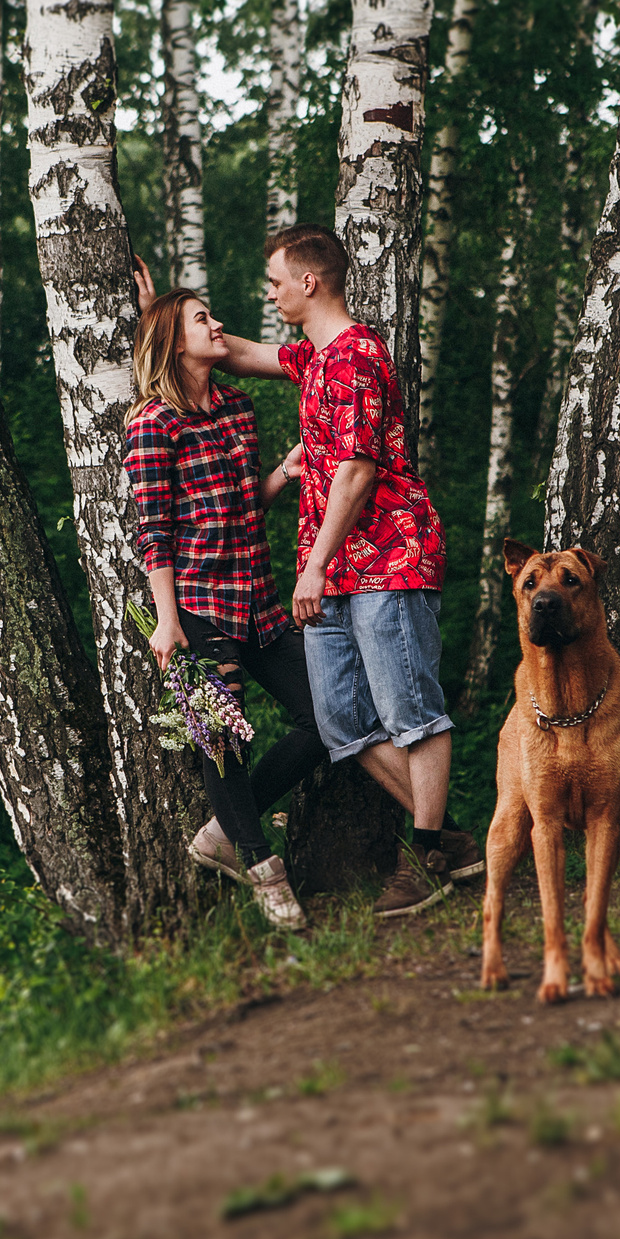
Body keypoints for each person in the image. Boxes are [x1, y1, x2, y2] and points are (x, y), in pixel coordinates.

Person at [138, 228, 482, 919]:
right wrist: (151, 314)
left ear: (308, 283)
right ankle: (454, 838)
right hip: (327, 575)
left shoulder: (355, 357)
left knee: (411, 711)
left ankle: (425, 856)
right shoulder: (312, 359)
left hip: (384, 558)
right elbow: (221, 351)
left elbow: (356, 471)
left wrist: (313, 566)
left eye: (273, 280)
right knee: (340, 720)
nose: (264, 294)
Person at [125, 285, 325, 930]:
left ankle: (220, 833)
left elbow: (239, 508)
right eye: (202, 319)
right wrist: (166, 619)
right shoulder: (152, 424)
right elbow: (154, 530)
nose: (219, 326)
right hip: (200, 607)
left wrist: (282, 475)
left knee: (325, 717)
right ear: (172, 342)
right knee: (222, 742)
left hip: (258, 599)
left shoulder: (238, 407)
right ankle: (261, 865)